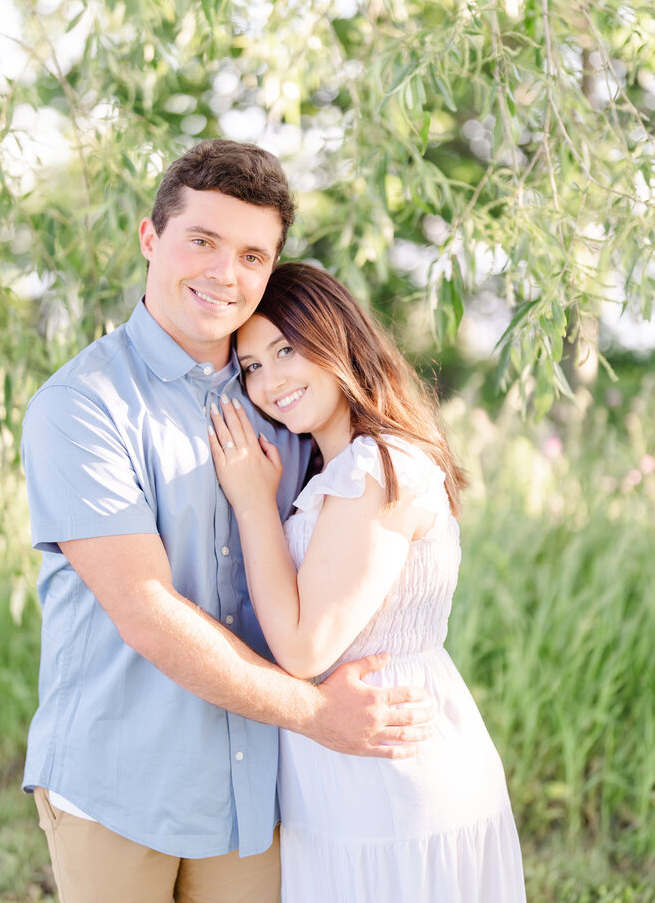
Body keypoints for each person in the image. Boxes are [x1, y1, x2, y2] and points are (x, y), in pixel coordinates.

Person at [21, 140, 433, 903]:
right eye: (202, 241)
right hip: (120, 786)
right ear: (151, 239)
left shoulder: (283, 396)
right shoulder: (81, 408)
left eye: (253, 255)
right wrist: (318, 714)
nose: (226, 274)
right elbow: (146, 614)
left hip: (257, 791)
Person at [208, 261, 527, 902]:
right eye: (252, 367)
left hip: (388, 774)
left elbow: (303, 649)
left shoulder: (376, 467)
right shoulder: (341, 467)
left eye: (286, 350)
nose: (269, 382)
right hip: (353, 761)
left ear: (338, 339)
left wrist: (250, 503)